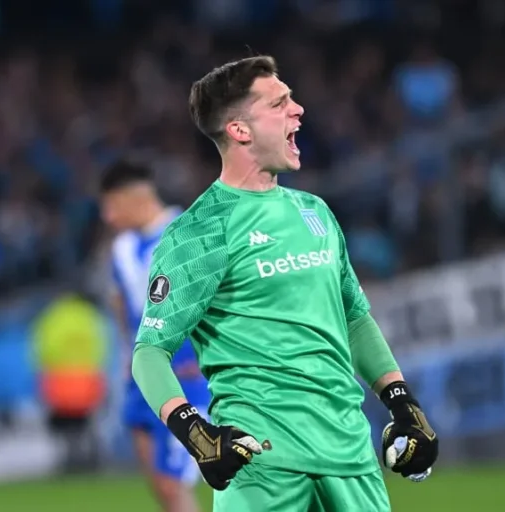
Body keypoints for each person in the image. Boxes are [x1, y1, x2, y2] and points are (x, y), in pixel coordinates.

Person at [132, 56, 438, 511]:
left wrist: (402, 403)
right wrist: (196, 435)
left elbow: (354, 317)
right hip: (262, 468)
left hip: (352, 458)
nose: (298, 110)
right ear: (241, 131)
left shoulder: (314, 212)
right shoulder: (199, 231)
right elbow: (150, 352)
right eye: (280, 103)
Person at [99, 158, 209, 512]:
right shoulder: (122, 249)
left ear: (135, 198)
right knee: (162, 488)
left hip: (184, 377)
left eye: (112, 207)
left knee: (175, 482)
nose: (108, 218)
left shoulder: (186, 232)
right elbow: (120, 301)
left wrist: (203, 358)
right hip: (140, 379)